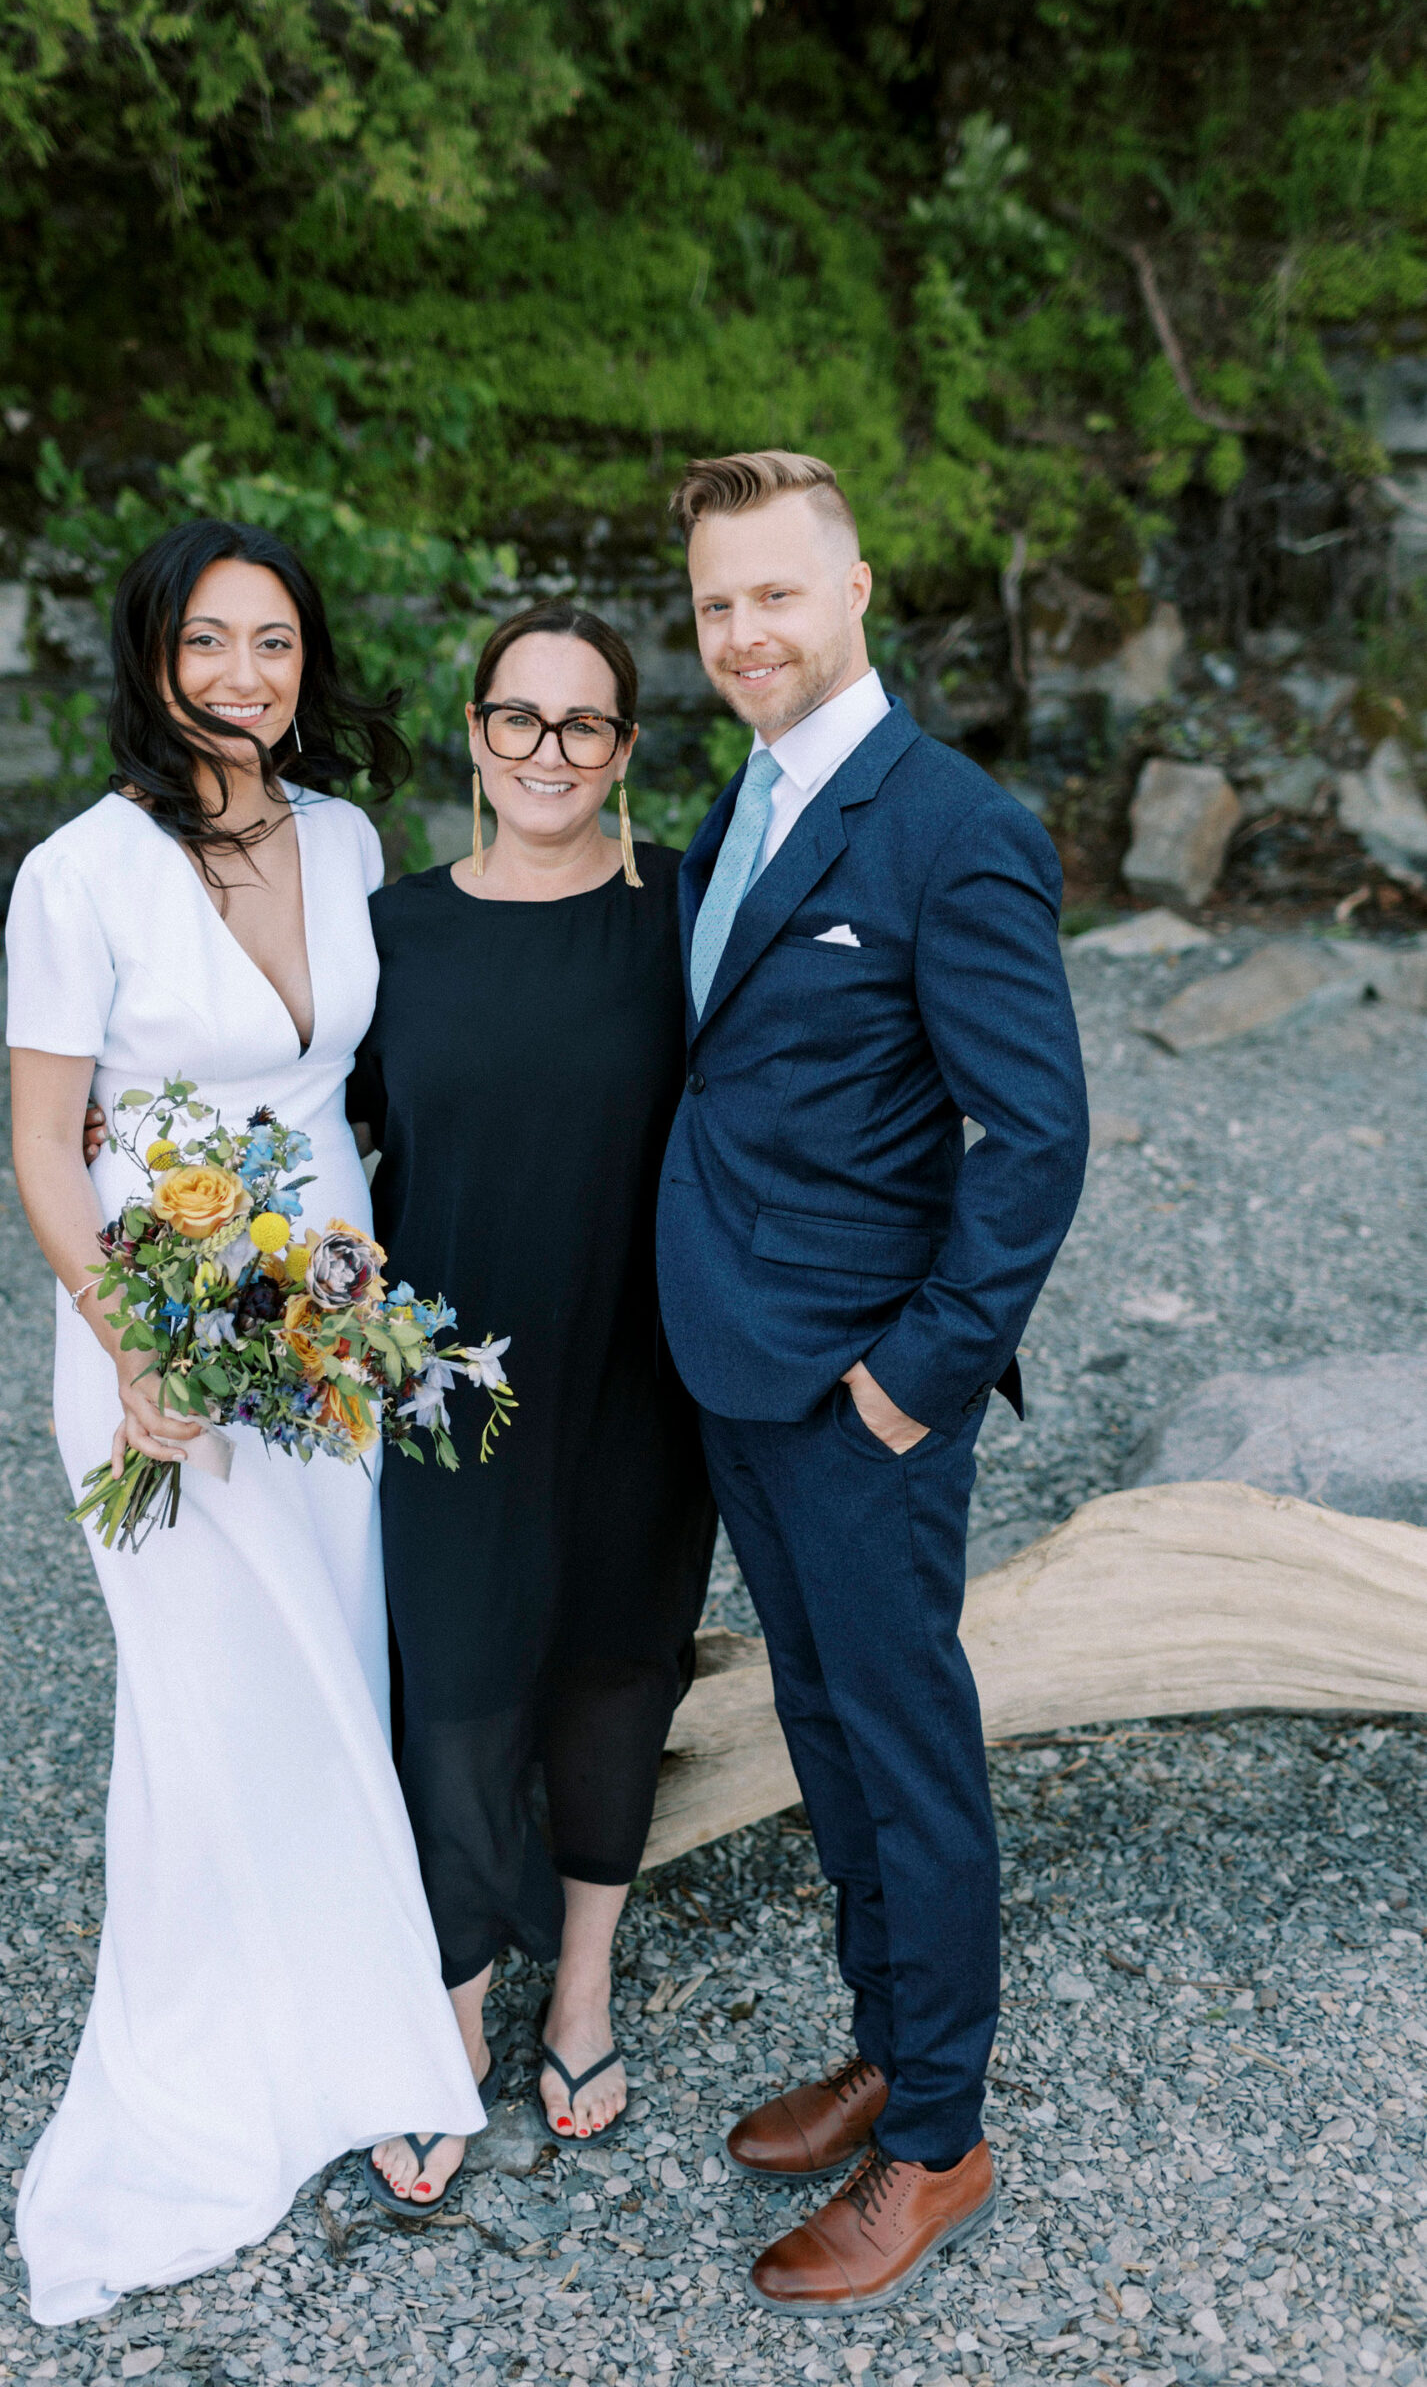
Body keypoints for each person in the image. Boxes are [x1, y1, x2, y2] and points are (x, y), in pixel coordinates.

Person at [5, 518, 482, 2326]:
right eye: (211, 644)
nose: (244, 678)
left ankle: (367, 2034)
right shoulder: (81, 872)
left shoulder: (349, 838)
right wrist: (131, 1338)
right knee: (209, 1686)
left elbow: (371, 1077)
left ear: (305, 665)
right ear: (152, 658)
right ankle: (218, 2061)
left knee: (342, 1661)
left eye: (274, 645)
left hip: (328, 1312)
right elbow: (45, 1152)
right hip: (158, 1321)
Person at [655, 452, 1088, 2313]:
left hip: (857, 1396)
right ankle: (889, 2049)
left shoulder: (951, 826)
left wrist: (913, 1383)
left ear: (850, 592)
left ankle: (943, 2143)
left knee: (906, 1752)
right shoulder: (738, 808)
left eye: (773, 593)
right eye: (714, 605)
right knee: (821, 1730)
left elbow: (1037, 1139)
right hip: (730, 1372)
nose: (743, 631)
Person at [347, 600, 717, 2213]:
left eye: (585, 726)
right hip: (448, 1372)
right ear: (476, 735)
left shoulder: (684, 919)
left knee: (615, 1665)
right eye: (520, 718)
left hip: (642, 1358)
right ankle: (453, 2013)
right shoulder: (395, 929)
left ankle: (580, 1988)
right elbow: (309, 1121)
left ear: (625, 752)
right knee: (458, 1683)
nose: (549, 752)